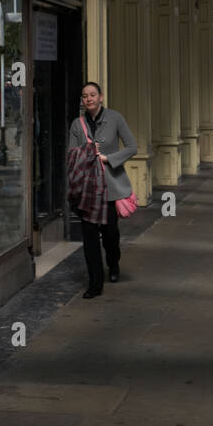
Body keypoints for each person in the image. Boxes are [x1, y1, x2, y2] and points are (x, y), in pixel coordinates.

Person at [68, 81, 136, 299]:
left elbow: (132, 147)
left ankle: (113, 263)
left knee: (110, 235)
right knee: (89, 239)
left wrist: (108, 158)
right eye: (85, 95)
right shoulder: (77, 125)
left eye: (93, 95)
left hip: (109, 188)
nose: (89, 99)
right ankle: (95, 284)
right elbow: (71, 155)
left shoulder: (115, 118)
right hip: (87, 190)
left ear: (101, 97)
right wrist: (87, 152)